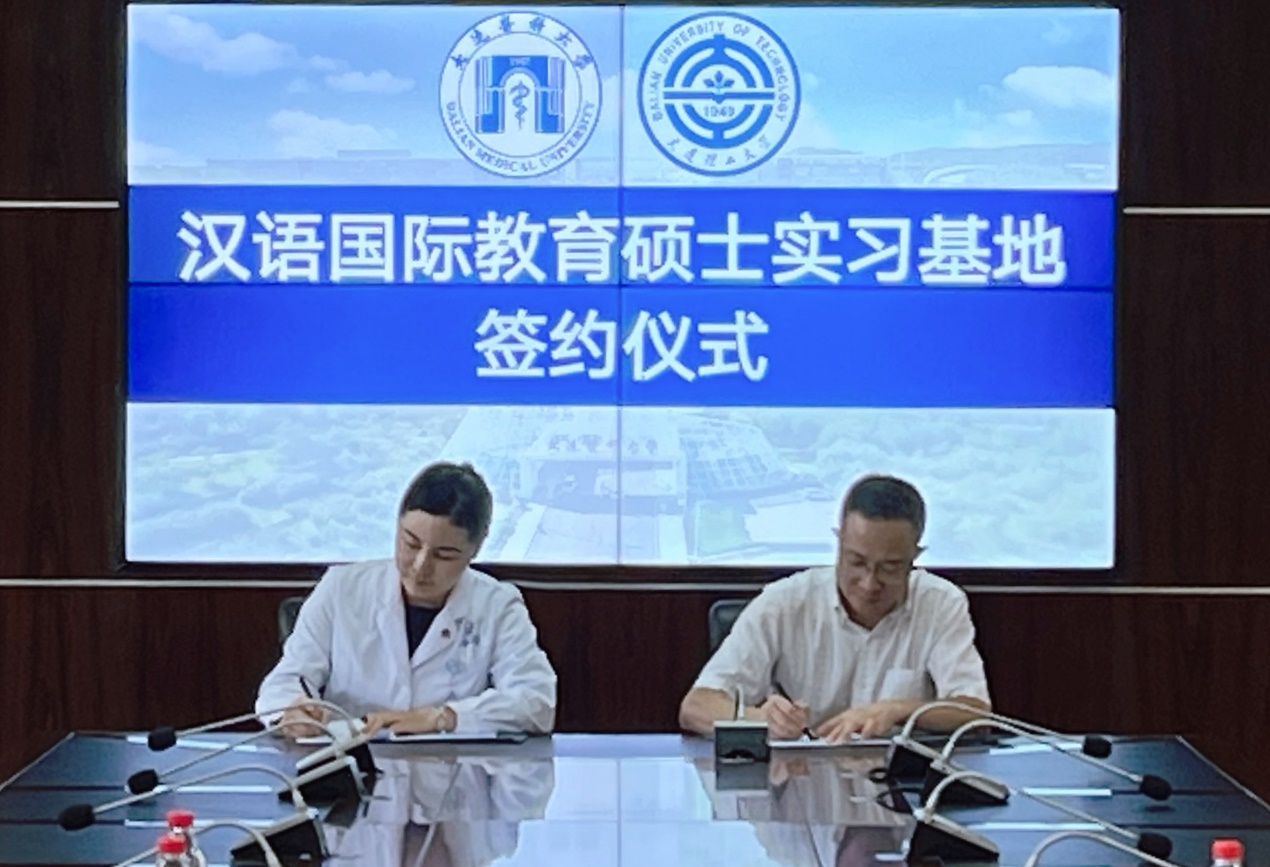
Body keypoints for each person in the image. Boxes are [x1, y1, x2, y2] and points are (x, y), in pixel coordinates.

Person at [679, 474, 990, 743]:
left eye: (890, 568)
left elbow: (975, 712)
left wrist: (898, 710)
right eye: (857, 562)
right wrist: (760, 719)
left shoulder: (940, 603)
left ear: (915, 556)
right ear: (839, 542)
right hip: (797, 782)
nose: (869, 583)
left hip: (900, 780)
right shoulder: (784, 602)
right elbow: (696, 707)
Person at [256, 461, 556, 736]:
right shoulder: (341, 589)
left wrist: (445, 717)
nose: (420, 566)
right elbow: (283, 683)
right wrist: (291, 711)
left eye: (444, 555)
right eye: (410, 543)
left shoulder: (497, 605)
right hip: (351, 764)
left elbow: (536, 702)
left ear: (476, 548)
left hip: (454, 770)